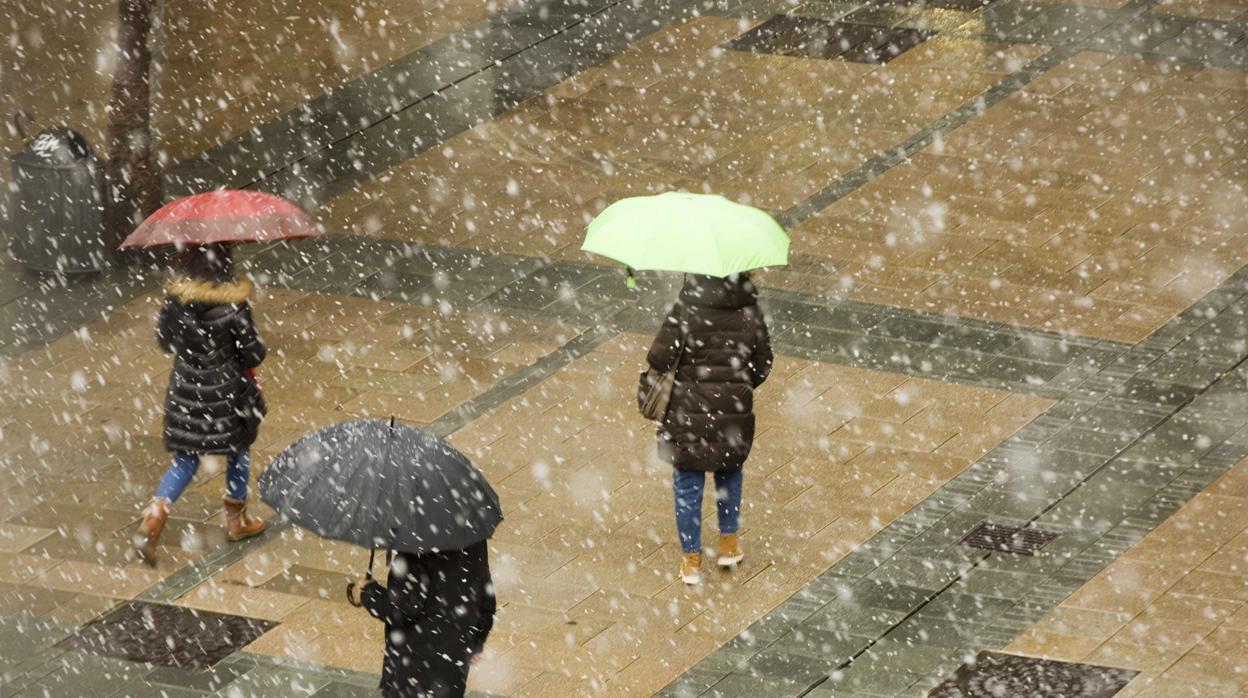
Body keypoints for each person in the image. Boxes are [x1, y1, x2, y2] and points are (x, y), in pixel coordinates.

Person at [133, 243, 267, 565]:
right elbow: (254, 353)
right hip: (228, 393)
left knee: (186, 460)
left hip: (186, 392)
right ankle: (237, 520)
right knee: (238, 446)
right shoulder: (234, 304)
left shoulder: (176, 300)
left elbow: (165, 342)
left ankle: (156, 512)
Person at [644, 273, 773, 585]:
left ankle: (691, 561)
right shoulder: (749, 307)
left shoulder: (686, 306)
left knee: (688, 481)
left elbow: (659, 358)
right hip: (733, 411)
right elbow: (763, 362)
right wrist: (738, 385)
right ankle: (729, 544)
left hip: (688, 411)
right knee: (729, 472)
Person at [352, 541, 496, 698]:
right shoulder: (473, 537)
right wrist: (477, 641)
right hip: (453, 663)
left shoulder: (415, 546)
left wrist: (368, 592)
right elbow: (486, 600)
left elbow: (401, 609)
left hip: (414, 666)